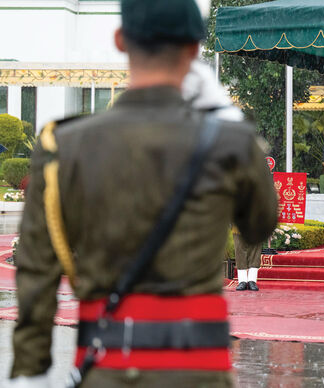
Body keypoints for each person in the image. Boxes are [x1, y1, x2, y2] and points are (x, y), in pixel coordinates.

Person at [9, 0, 278, 386]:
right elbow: (260, 224)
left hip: (107, 371)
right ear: (194, 49)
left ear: (121, 41)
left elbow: (37, 272)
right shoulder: (228, 143)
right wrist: (233, 122)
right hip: (199, 373)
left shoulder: (66, 145)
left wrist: (29, 371)